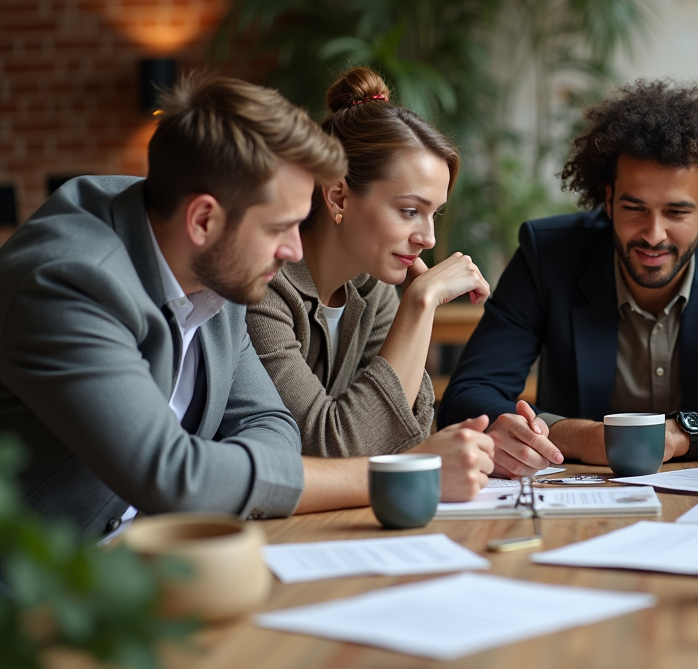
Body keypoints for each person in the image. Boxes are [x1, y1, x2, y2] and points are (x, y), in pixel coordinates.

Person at [0, 74, 489, 542]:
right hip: (39, 596)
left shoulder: (221, 271)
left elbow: (272, 427)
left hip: (166, 560)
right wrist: (395, 475)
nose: (295, 251)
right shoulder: (69, 281)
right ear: (204, 219)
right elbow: (174, 474)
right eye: (280, 229)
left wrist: (225, 476)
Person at [438, 79, 698, 476]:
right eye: (635, 208)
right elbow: (467, 397)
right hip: (576, 490)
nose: (654, 234)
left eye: (677, 212)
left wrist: (684, 435)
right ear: (608, 200)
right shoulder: (549, 255)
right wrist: (580, 436)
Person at [245, 67, 493, 500]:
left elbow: (407, 436)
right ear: (338, 195)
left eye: (435, 213)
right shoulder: (262, 291)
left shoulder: (373, 290)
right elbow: (327, 448)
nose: (429, 238)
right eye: (410, 210)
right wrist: (422, 301)